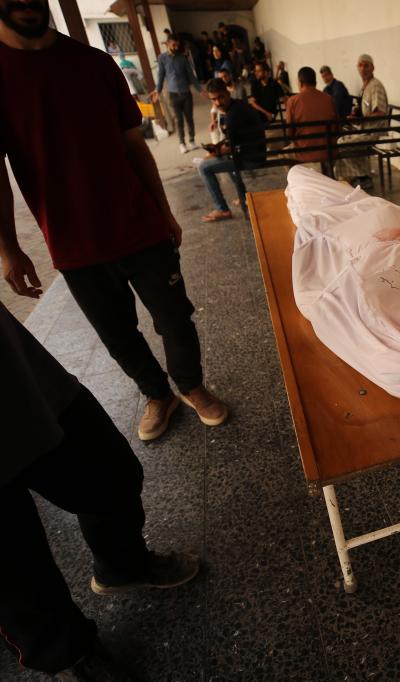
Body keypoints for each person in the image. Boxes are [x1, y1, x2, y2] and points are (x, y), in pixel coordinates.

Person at [0, 1, 229, 442]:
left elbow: (134, 145)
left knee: (175, 319)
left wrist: (163, 212)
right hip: (72, 242)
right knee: (117, 334)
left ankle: (191, 387)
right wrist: (9, 249)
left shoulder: (93, 63)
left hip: (138, 224)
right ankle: (156, 394)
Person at [0, 300, 200, 680]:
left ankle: (122, 565)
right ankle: (74, 653)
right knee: (14, 570)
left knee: (111, 472)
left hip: (15, 373)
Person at [197, 78, 265, 223]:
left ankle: (223, 209)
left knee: (203, 167)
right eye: (213, 99)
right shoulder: (238, 106)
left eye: (220, 97)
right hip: (252, 153)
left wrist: (211, 155)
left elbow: (229, 149)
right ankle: (244, 197)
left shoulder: (233, 114)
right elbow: (233, 142)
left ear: (227, 93)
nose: (218, 103)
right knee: (220, 161)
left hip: (250, 158)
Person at [335, 53, 388, 188]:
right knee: (342, 135)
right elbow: (366, 108)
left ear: (373, 68)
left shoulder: (375, 86)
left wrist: (361, 119)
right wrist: (356, 113)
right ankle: (356, 176)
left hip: (374, 131)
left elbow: (380, 112)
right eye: (360, 65)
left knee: (341, 143)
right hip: (365, 129)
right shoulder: (365, 86)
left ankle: (362, 176)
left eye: (366, 65)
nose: (363, 68)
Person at [151, 35, 202, 153]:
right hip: (173, 95)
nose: (176, 47)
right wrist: (157, 90)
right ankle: (182, 143)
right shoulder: (162, 58)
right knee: (179, 120)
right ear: (167, 44)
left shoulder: (183, 58)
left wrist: (200, 89)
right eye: (174, 45)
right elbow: (161, 75)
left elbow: (191, 75)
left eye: (177, 45)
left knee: (189, 118)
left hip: (186, 94)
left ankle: (192, 141)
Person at [286, 66, 337, 165]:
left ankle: (297, 179)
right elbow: (336, 128)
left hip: (304, 154)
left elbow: (290, 132)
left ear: (300, 82)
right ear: (315, 82)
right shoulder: (328, 98)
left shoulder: (293, 101)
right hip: (329, 151)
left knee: (283, 155)